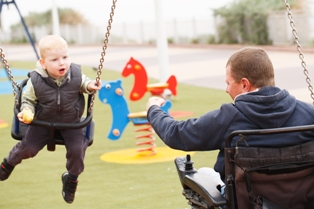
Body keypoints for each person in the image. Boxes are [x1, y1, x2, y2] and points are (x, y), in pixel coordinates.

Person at [145, 47, 314, 201]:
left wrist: (153, 109)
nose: (226, 89)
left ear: (244, 84)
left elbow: (176, 134)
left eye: (228, 83)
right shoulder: (308, 112)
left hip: (245, 203)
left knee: (203, 174)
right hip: (301, 201)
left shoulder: (228, 118)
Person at [0, 35, 100, 204]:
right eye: (55, 59)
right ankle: (8, 164)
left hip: (71, 122)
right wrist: (25, 111)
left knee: (77, 150)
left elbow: (84, 83)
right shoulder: (35, 80)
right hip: (42, 122)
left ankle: (71, 179)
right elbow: (28, 101)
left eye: (65, 57)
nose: (62, 63)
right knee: (28, 148)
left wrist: (90, 86)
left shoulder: (75, 74)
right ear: (43, 62)